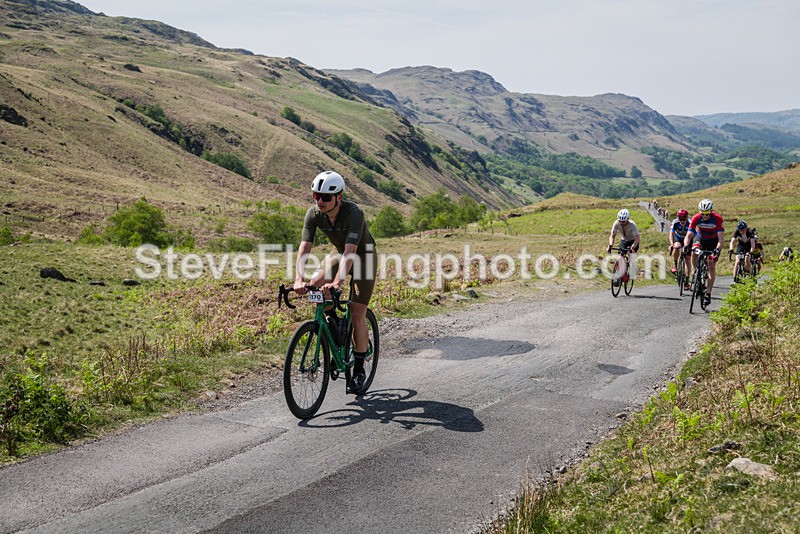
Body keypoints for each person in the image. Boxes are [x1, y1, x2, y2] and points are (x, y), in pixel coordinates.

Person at [293, 171, 377, 394]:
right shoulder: (313, 214)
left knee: (357, 314)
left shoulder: (354, 214)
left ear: (339, 197)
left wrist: (339, 282)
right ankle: (332, 319)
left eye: (326, 198)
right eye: (316, 195)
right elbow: (305, 247)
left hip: (364, 257)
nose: (320, 201)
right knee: (316, 282)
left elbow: (351, 252)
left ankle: (359, 370)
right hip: (340, 253)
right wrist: (298, 279)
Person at [684, 199, 725, 307]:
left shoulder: (717, 219)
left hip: (713, 241)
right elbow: (688, 235)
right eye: (703, 214)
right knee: (694, 252)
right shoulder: (696, 218)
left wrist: (717, 249)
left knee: (711, 265)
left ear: (711, 212)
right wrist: (685, 246)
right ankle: (696, 271)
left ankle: (708, 293)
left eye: (707, 214)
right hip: (701, 238)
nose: (705, 216)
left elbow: (721, 239)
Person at [607, 209, 640, 285]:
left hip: (633, 241)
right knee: (620, 257)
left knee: (631, 254)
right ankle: (618, 278)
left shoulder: (632, 225)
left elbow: (637, 238)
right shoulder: (616, 223)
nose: (621, 223)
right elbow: (612, 236)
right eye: (620, 221)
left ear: (627, 220)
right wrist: (610, 245)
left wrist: (633, 246)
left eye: (623, 221)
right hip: (624, 240)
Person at [669, 209, 691, 289]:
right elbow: (671, 234)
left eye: (684, 219)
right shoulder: (675, 222)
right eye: (680, 219)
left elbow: (694, 235)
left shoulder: (690, 223)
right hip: (678, 238)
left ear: (687, 218)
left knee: (688, 259)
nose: (682, 221)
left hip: (688, 239)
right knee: (677, 246)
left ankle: (687, 281)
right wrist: (671, 244)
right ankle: (675, 263)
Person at [729, 220, 755, 284]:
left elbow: (753, 244)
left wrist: (751, 252)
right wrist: (731, 249)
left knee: (747, 258)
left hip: (748, 247)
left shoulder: (750, 232)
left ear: (746, 228)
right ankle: (734, 279)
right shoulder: (737, 232)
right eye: (740, 230)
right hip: (741, 246)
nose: (742, 231)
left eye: (743, 230)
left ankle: (747, 273)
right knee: (737, 261)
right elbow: (732, 241)